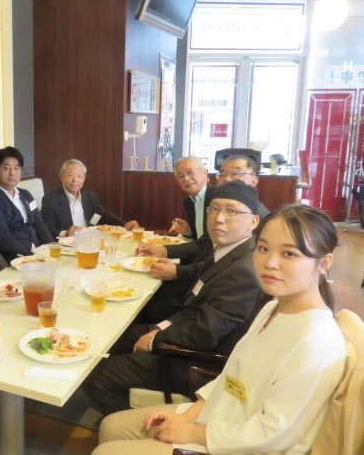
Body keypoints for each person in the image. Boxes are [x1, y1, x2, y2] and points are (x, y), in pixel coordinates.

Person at [93, 204, 346, 455]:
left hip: (239, 445)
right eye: (263, 248)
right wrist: (189, 416)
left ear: (324, 263)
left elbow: (273, 435)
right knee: (110, 426)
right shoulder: (273, 308)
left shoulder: (315, 340)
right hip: (220, 414)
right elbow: (232, 373)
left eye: (289, 254)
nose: (270, 262)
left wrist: (193, 433)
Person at [84, 181, 267, 415]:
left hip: (196, 363)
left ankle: (138, 423)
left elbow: (206, 333)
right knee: (113, 338)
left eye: (231, 211)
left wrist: (155, 339)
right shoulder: (228, 249)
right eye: (214, 209)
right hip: (184, 331)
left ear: (253, 221)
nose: (219, 218)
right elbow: (198, 307)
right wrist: (161, 327)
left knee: (93, 376)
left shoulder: (244, 270)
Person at [137, 155, 271, 323]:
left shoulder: (260, 223)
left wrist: (161, 330)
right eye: (223, 174)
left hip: (203, 304)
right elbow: (205, 244)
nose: (227, 179)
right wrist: (169, 248)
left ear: (254, 180)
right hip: (198, 289)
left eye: (235, 173)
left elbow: (213, 321)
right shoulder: (209, 202)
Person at [0, 146, 54, 262]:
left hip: (38, 252)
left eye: (16, 168)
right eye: (6, 168)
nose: (12, 173)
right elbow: (2, 239)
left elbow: (39, 223)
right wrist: (31, 258)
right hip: (16, 259)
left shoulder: (26, 194)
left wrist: (52, 249)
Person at [41, 159, 139, 237]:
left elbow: (102, 215)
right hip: (66, 245)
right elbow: (47, 230)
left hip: (90, 241)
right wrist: (66, 233)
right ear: (61, 176)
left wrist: (124, 224)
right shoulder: (50, 200)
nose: (75, 180)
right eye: (70, 175)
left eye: (79, 176)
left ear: (84, 178)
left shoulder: (90, 196)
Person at [169, 156, 215, 241]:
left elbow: (212, 241)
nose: (186, 179)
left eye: (190, 172)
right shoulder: (189, 202)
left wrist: (166, 248)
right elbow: (199, 237)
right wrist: (188, 231)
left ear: (204, 172)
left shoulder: (217, 197)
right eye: (181, 176)